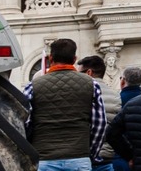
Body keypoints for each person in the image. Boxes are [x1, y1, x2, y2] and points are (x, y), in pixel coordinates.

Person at [23, 37, 107, 171]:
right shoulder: (92, 84)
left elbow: (25, 122)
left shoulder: (32, 87)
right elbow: (100, 124)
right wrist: (91, 152)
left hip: (44, 159)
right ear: (74, 59)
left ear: (51, 59)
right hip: (79, 159)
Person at [78, 55, 121, 171]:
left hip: (82, 158)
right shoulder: (116, 95)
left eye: (79, 73)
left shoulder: (79, 94)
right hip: (106, 158)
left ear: (88, 72)